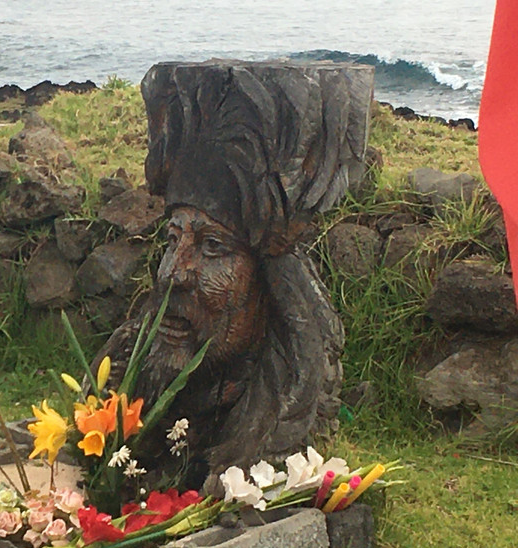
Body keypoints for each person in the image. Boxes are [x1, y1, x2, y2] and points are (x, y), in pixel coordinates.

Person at [97, 61, 372, 488]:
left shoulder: (265, 401)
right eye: (172, 241)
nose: (174, 274)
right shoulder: (125, 381)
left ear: (270, 284)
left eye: (213, 248)